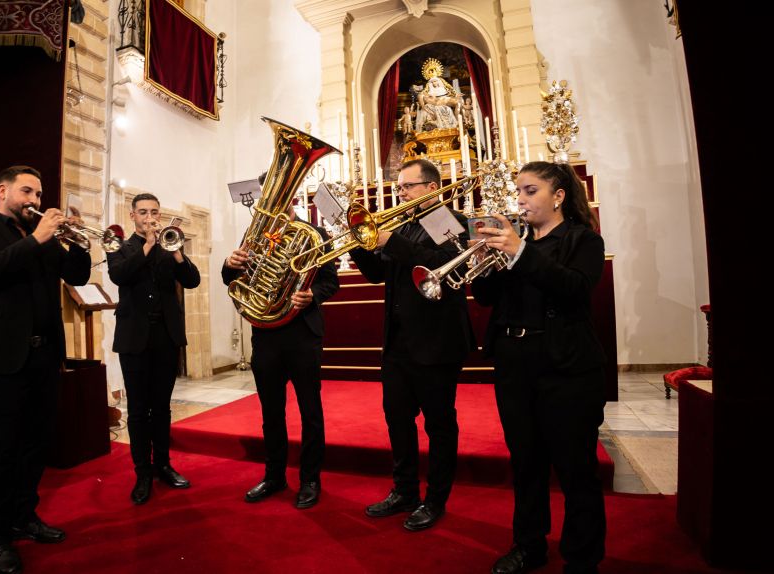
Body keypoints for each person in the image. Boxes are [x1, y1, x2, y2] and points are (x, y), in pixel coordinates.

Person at [471, 161, 606, 574]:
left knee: (574, 466)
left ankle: (581, 558)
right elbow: (484, 297)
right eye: (519, 192)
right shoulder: (516, 243)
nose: (521, 199)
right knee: (525, 463)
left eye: (530, 191)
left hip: (565, 368)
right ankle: (528, 545)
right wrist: (486, 256)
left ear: (558, 196)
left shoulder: (582, 240)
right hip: (515, 364)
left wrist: (519, 252)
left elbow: (574, 289)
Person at [0, 165, 91, 574]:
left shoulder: (43, 239)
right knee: (0, 450)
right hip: (0, 358)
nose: (35, 199)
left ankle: (24, 516)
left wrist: (76, 240)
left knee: (35, 444)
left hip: (43, 356)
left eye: (39, 192)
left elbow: (79, 275)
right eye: (27, 191)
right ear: (3, 191)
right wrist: (37, 239)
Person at [348, 158, 475, 531]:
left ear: (431, 188)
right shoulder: (401, 225)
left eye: (407, 187)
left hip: (437, 343)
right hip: (399, 343)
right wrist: (357, 241)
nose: (399, 193)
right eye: (399, 187)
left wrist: (395, 242)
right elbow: (376, 274)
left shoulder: (446, 221)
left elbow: (451, 265)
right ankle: (404, 491)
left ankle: (436, 499)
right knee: (397, 420)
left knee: (438, 424)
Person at [221, 173, 339, 509]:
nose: (274, 199)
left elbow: (331, 282)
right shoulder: (254, 234)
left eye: (281, 192)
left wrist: (312, 296)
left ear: (291, 196)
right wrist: (230, 265)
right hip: (267, 333)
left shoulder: (314, 233)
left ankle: (310, 480)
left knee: (309, 411)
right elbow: (232, 278)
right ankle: (274, 475)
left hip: (302, 334)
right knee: (270, 412)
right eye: (270, 193)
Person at [108, 193, 201, 505]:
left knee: (162, 407)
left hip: (166, 337)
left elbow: (192, 280)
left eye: (155, 212)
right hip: (134, 338)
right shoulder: (120, 245)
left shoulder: (169, 244)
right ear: (133, 215)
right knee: (137, 410)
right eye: (143, 212)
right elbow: (119, 275)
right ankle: (142, 473)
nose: (150, 217)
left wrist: (175, 251)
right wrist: (148, 245)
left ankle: (163, 465)